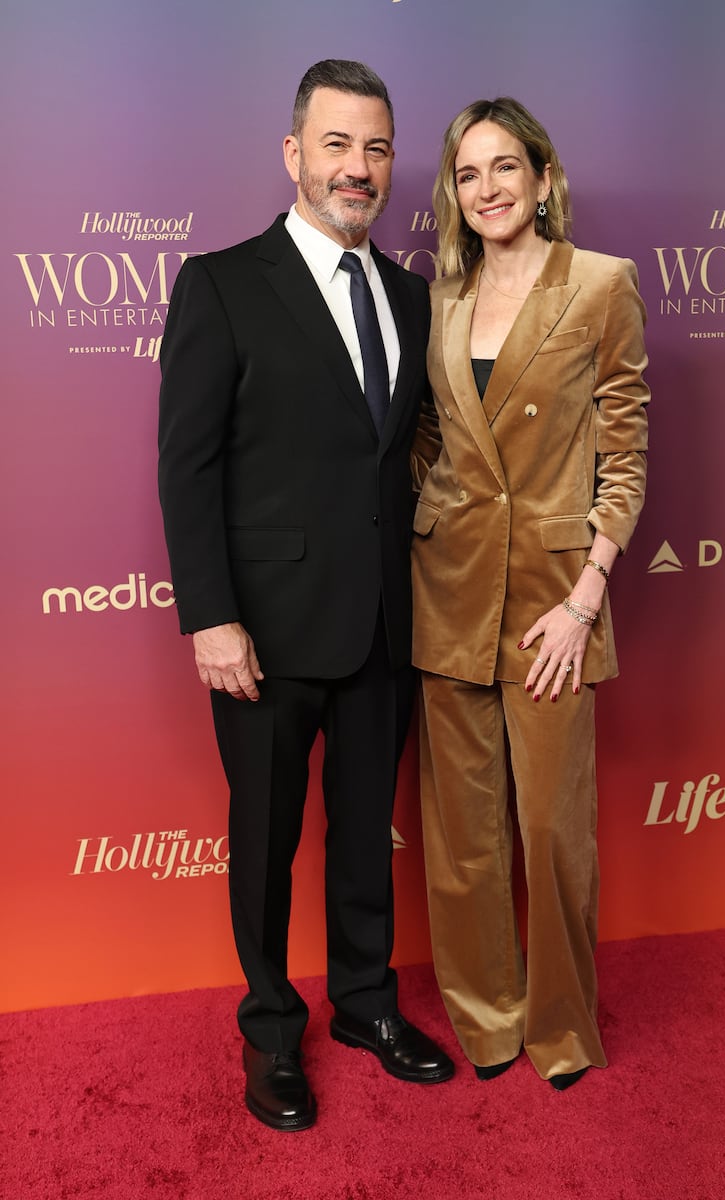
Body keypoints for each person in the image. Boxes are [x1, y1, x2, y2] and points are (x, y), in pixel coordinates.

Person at [158, 59, 454, 1132]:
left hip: (384, 620)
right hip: (264, 634)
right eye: (335, 144)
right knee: (268, 839)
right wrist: (209, 615)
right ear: (293, 154)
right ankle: (271, 1029)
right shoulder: (222, 283)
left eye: (374, 147)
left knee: (363, 830)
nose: (357, 167)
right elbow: (185, 465)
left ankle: (366, 1007)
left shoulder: (414, 297)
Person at [411, 98, 649, 1090]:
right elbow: (431, 435)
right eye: (468, 174)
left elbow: (624, 455)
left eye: (505, 166)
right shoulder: (440, 293)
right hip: (449, 587)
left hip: (555, 599)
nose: (488, 188)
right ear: (453, 195)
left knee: (550, 832)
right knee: (463, 836)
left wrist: (587, 593)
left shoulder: (599, 285)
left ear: (542, 177)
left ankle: (558, 1025)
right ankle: (487, 1019)